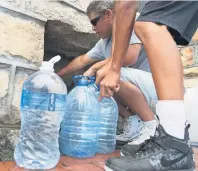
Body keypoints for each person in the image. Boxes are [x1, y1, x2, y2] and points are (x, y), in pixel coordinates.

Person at [96, 1, 198, 171]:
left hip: (149, 89)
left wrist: (115, 68)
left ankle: (173, 143)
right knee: (160, 29)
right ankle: (176, 141)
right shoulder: (102, 44)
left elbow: (125, 4)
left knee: (149, 25)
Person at [57, 1, 158, 145]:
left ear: (109, 14)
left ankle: (152, 126)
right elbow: (81, 60)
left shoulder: (133, 21)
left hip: (157, 90)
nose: (93, 28)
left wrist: (95, 68)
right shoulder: (105, 42)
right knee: (98, 82)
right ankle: (134, 124)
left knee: (107, 74)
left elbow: (129, 57)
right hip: (140, 93)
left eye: (94, 22)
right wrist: (57, 75)